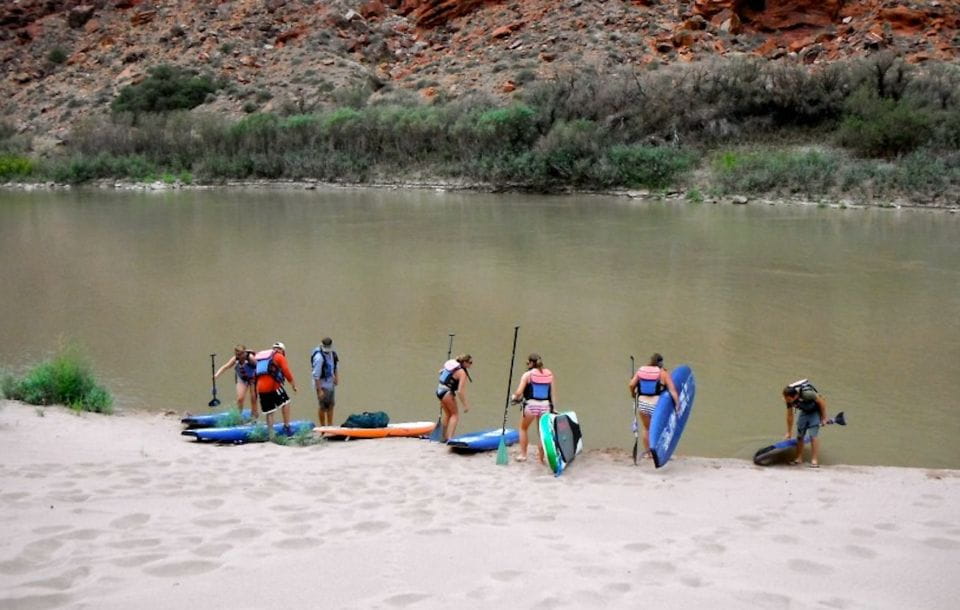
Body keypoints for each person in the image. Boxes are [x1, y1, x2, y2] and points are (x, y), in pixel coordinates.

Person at [627, 353, 679, 459]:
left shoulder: (641, 370)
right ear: (661, 363)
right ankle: (660, 453)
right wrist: (678, 405)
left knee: (647, 429)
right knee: (659, 429)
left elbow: (631, 384)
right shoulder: (663, 373)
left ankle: (649, 454)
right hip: (656, 406)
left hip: (642, 405)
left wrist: (633, 393)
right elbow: (673, 391)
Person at [510, 353, 555, 463]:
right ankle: (541, 458)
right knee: (542, 432)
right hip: (545, 406)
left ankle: (523, 455)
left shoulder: (527, 375)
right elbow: (552, 394)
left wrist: (514, 397)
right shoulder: (549, 374)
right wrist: (553, 408)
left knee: (523, 428)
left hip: (531, 406)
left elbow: (519, 392)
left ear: (530, 363)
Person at [254, 341, 298, 437]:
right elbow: (286, 371)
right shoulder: (279, 357)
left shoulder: (262, 358)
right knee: (286, 402)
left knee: (269, 411)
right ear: (282, 350)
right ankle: (287, 427)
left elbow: (255, 375)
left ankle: (271, 433)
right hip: (273, 386)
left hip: (260, 388)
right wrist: (293, 384)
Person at [783, 379, 828, 468]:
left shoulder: (807, 394)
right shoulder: (788, 399)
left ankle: (814, 460)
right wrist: (789, 432)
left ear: (795, 396)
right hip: (805, 411)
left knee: (813, 436)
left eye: (788, 399)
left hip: (815, 411)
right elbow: (790, 416)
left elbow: (821, 402)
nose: (786, 401)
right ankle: (798, 458)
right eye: (785, 398)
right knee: (800, 435)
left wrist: (824, 418)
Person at [213, 345, 259, 418]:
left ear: (244, 353)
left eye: (240, 354)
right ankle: (238, 416)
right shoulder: (235, 359)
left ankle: (254, 416)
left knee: (253, 398)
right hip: (242, 378)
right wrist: (216, 375)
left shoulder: (250, 358)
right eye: (237, 355)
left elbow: (260, 367)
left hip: (252, 378)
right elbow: (225, 367)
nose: (239, 357)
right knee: (240, 398)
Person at [435, 354, 473, 441]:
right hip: (447, 393)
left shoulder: (452, 366)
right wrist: (465, 405)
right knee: (455, 415)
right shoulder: (462, 373)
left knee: (448, 415)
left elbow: (440, 372)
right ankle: (450, 438)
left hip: (439, 391)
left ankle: (443, 437)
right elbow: (460, 391)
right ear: (464, 363)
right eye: (470, 362)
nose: (471, 364)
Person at [310, 337, 340, 427]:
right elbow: (316, 375)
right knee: (322, 406)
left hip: (330, 383)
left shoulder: (332, 354)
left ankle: (330, 425)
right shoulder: (319, 358)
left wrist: (336, 377)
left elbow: (335, 366)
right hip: (321, 384)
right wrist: (319, 390)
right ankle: (323, 426)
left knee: (331, 404)